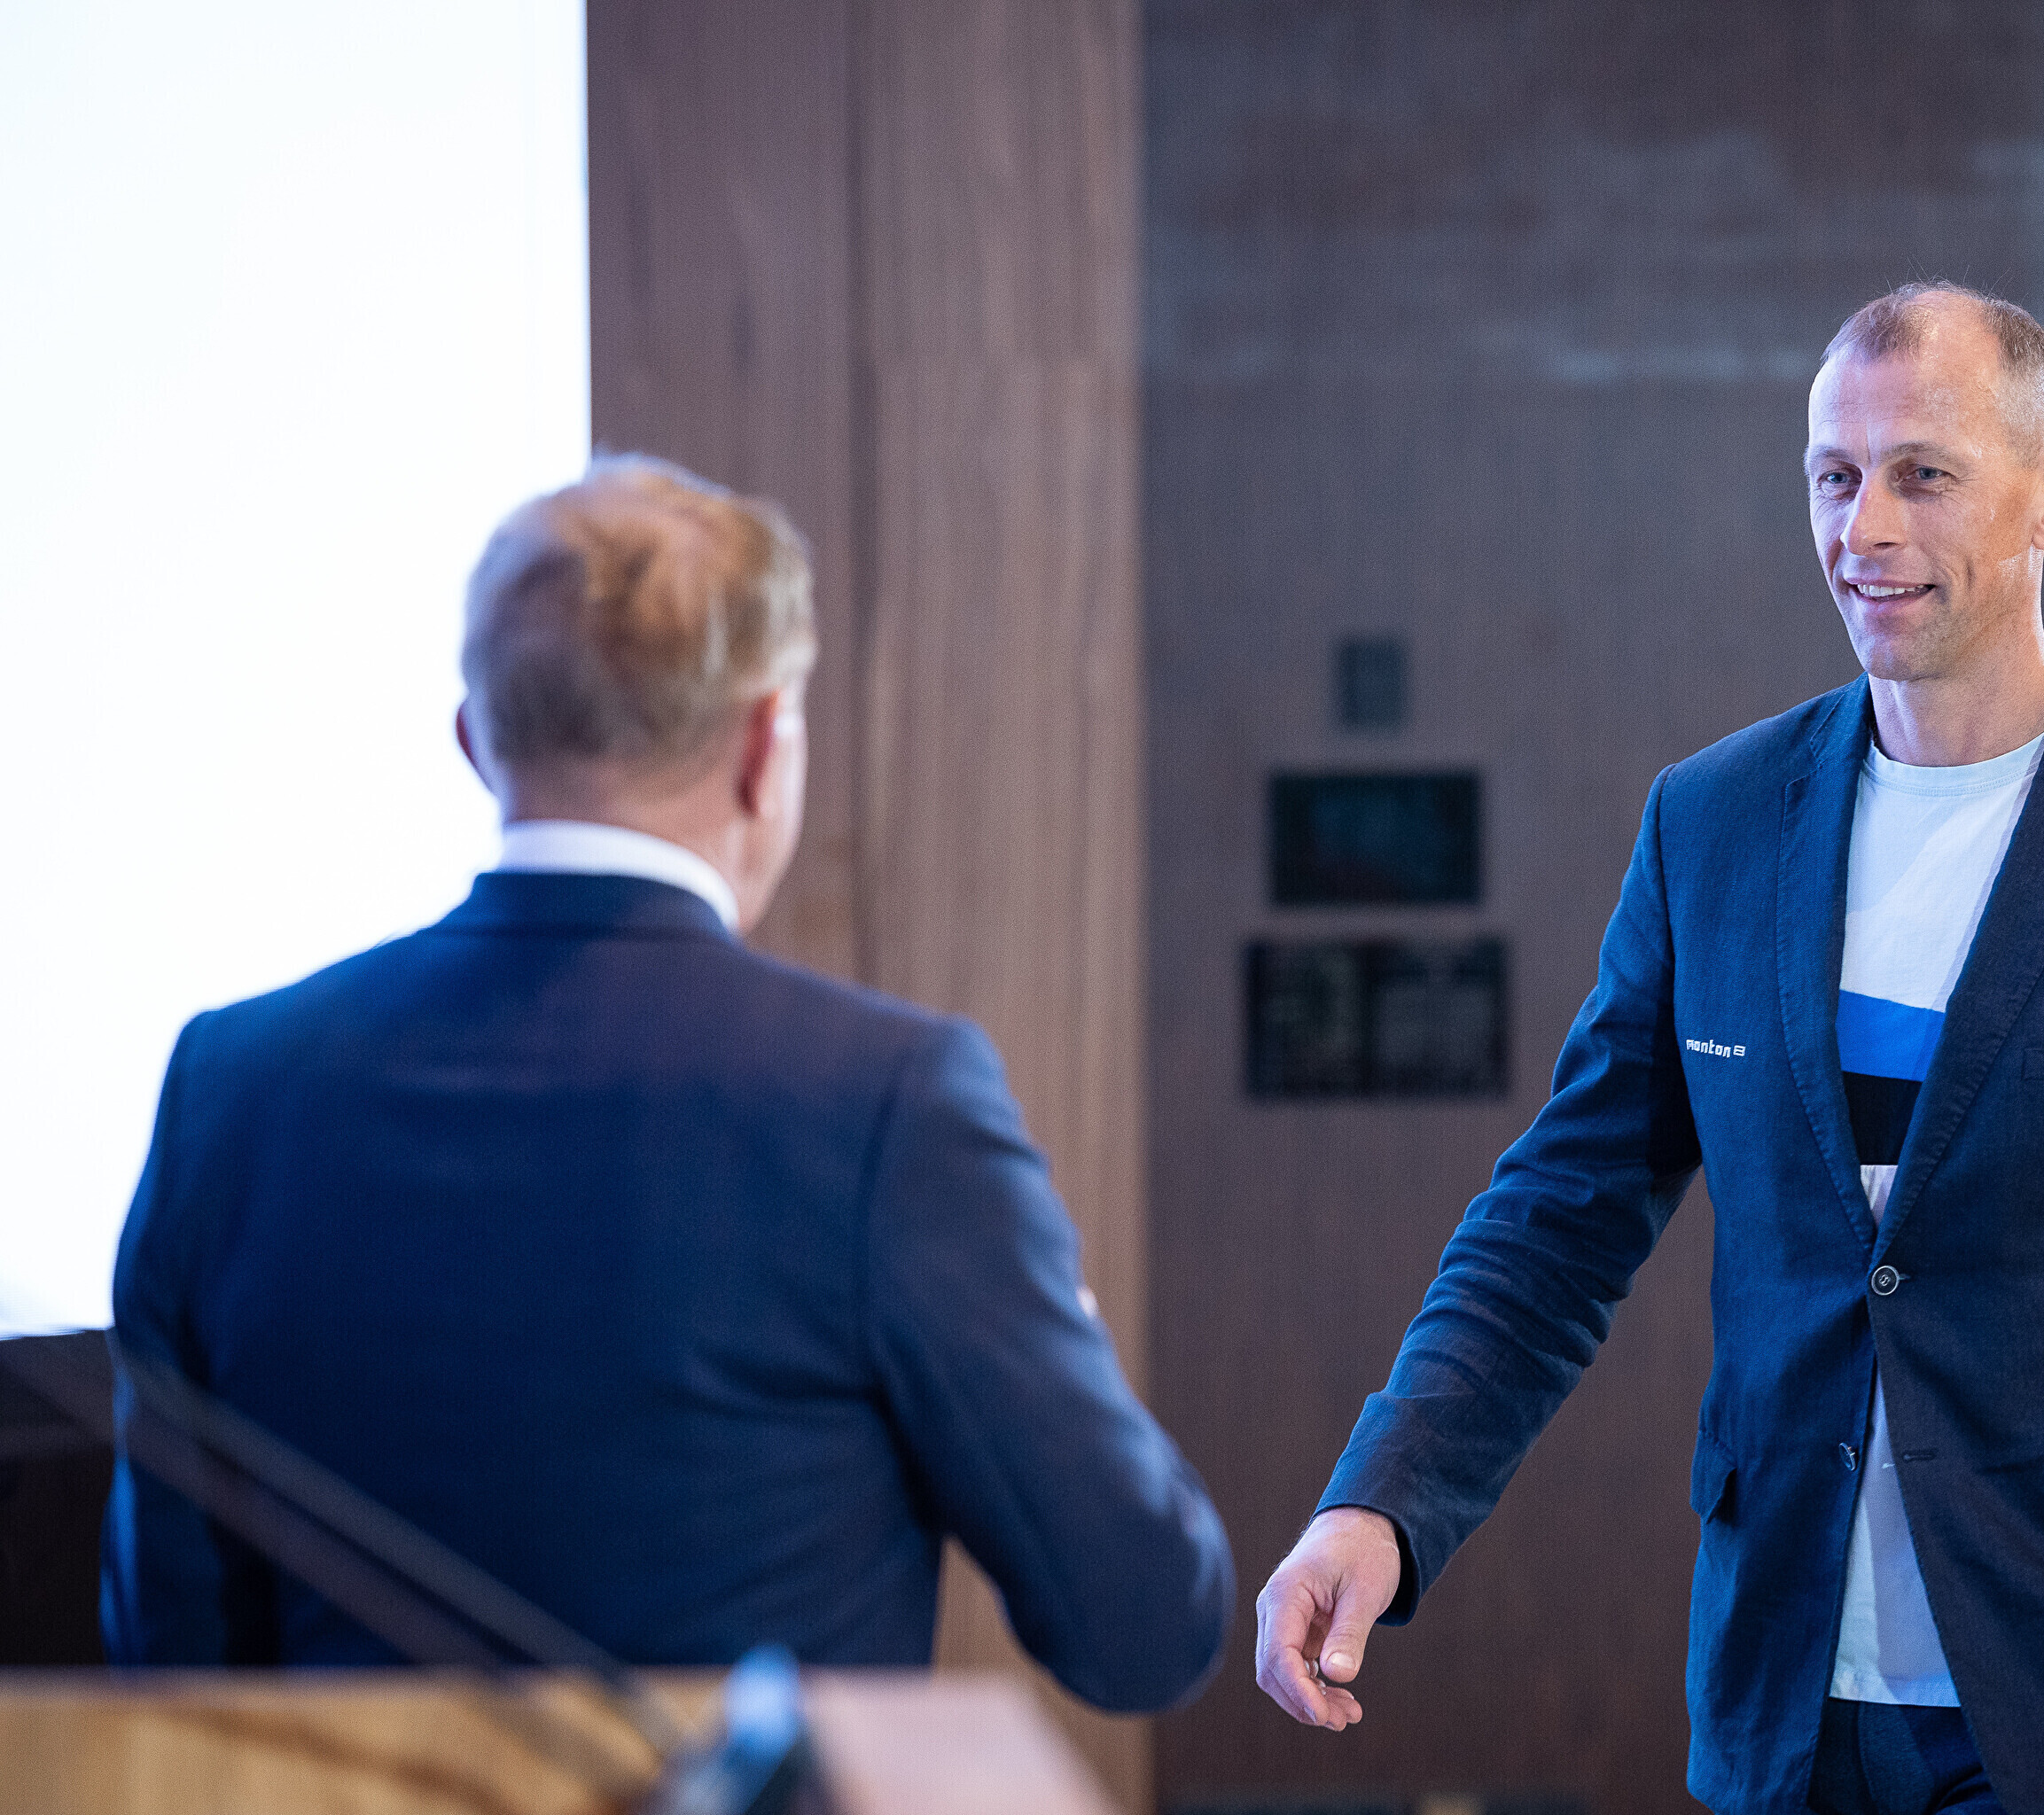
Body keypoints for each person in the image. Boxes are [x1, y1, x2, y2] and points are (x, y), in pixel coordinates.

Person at [1252, 285, 2044, 1815]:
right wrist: (1380, 1503)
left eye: (1923, 475)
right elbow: (1556, 1221)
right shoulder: (1712, 826)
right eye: (1834, 476)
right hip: (1788, 1705)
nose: (1863, 528)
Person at [101, 456, 1231, 1710]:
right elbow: (1142, 1627)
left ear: (477, 742)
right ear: (761, 748)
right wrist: (1058, 1335)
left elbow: (168, 1660)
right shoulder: (891, 1105)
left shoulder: (230, 1088)